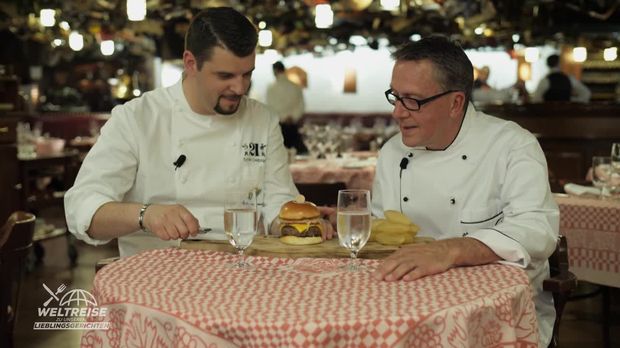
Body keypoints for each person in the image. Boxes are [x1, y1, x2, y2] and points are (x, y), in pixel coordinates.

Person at [64, 7, 331, 258]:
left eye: (247, 74)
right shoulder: (137, 118)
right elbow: (82, 208)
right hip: (157, 277)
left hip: (244, 273)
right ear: (190, 63)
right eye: (225, 76)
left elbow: (277, 201)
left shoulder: (262, 120)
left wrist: (299, 223)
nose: (239, 88)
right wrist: (146, 215)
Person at [372, 36, 559, 347]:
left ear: (455, 102)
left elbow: (537, 230)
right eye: (395, 97)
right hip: (405, 306)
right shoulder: (392, 152)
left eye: (412, 100)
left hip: (495, 316)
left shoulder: (512, 146)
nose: (398, 113)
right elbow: (382, 229)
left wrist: (450, 250)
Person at [265, 61, 306, 153]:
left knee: (278, 154)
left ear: (275, 71)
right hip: (292, 124)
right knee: (297, 153)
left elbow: (270, 107)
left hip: (278, 126)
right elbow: (301, 105)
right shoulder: (295, 86)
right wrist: (292, 117)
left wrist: (282, 118)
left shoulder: (271, 87)